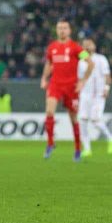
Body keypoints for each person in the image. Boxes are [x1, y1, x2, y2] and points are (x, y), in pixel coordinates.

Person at [40, 19, 94, 161]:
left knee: (73, 118)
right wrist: (44, 78)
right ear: (56, 30)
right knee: (49, 111)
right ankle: (50, 143)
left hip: (71, 87)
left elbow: (90, 63)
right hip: (55, 84)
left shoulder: (76, 48)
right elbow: (49, 63)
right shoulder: (52, 48)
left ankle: (77, 148)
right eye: (59, 28)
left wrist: (82, 81)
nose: (62, 30)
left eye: (64, 28)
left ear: (69, 31)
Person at [77, 38, 112, 156]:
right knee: (82, 120)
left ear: (94, 46)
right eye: (85, 45)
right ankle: (87, 149)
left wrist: (107, 88)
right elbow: (79, 79)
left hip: (98, 94)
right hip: (85, 95)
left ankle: (110, 139)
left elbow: (107, 76)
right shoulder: (80, 61)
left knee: (95, 120)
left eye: (89, 45)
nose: (87, 47)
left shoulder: (101, 59)